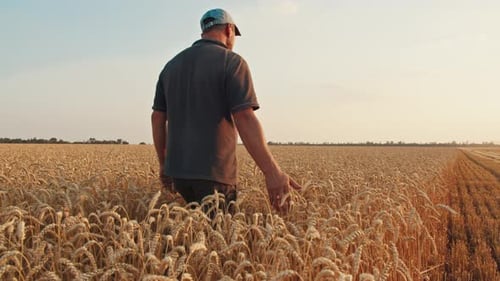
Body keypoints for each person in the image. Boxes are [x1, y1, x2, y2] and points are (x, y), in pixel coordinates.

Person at [151, 8, 300, 213]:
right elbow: (245, 117)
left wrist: (164, 165)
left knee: (190, 238)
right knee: (216, 241)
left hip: (178, 175)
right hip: (215, 177)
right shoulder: (232, 62)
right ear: (229, 30)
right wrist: (272, 172)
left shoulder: (170, 66)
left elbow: (157, 118)